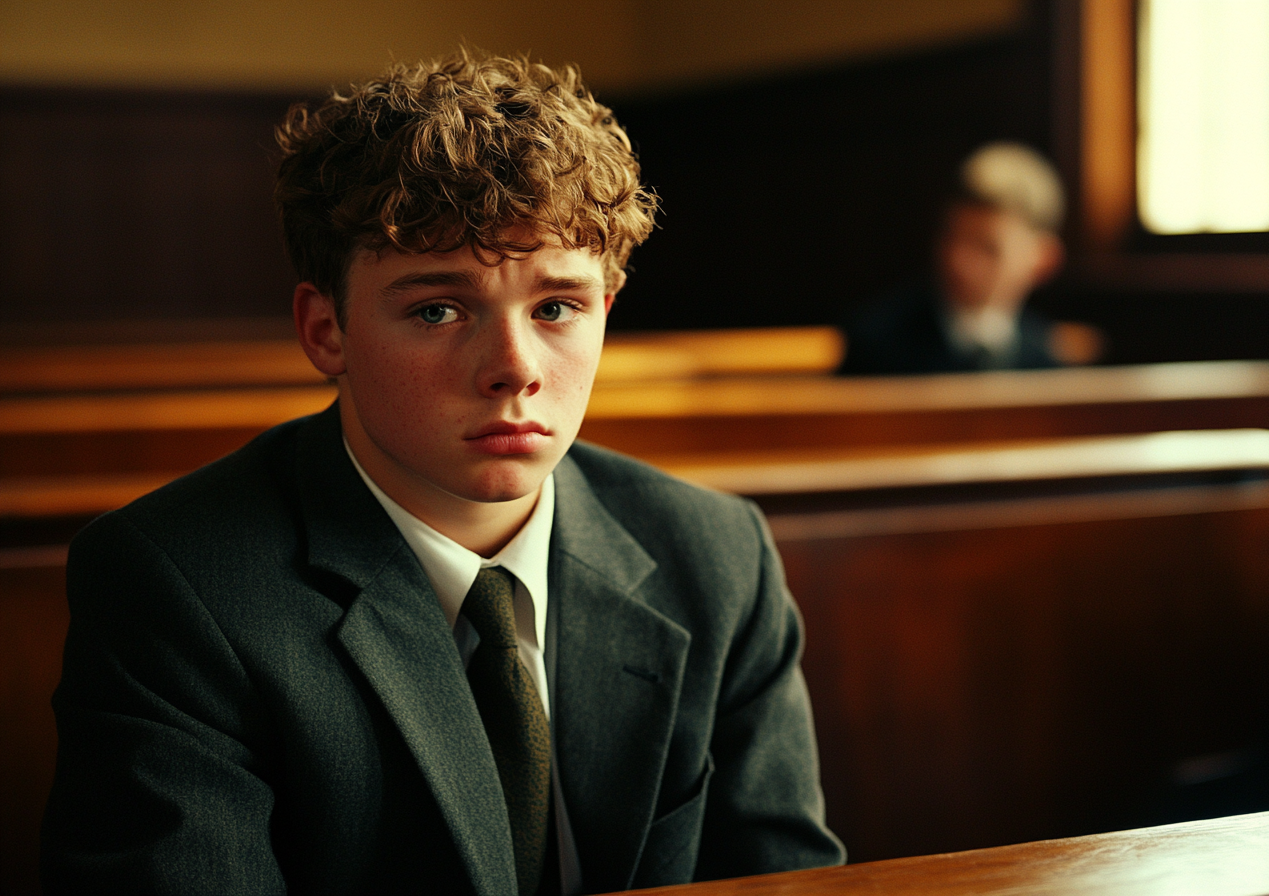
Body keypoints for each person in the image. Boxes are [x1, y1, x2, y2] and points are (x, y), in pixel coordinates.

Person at [41, 52, 844, 894]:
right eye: (438, 309)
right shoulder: (176, 587)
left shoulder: (719, 557)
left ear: (604, 312)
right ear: (326, 330)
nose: (514, 368)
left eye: (557, 307)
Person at [840, 142, 1097, 375]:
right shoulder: (876, 344)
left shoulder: (1046, 360)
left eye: (987, 248)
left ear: (1043, 259)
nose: (957, 261)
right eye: (951, 237)